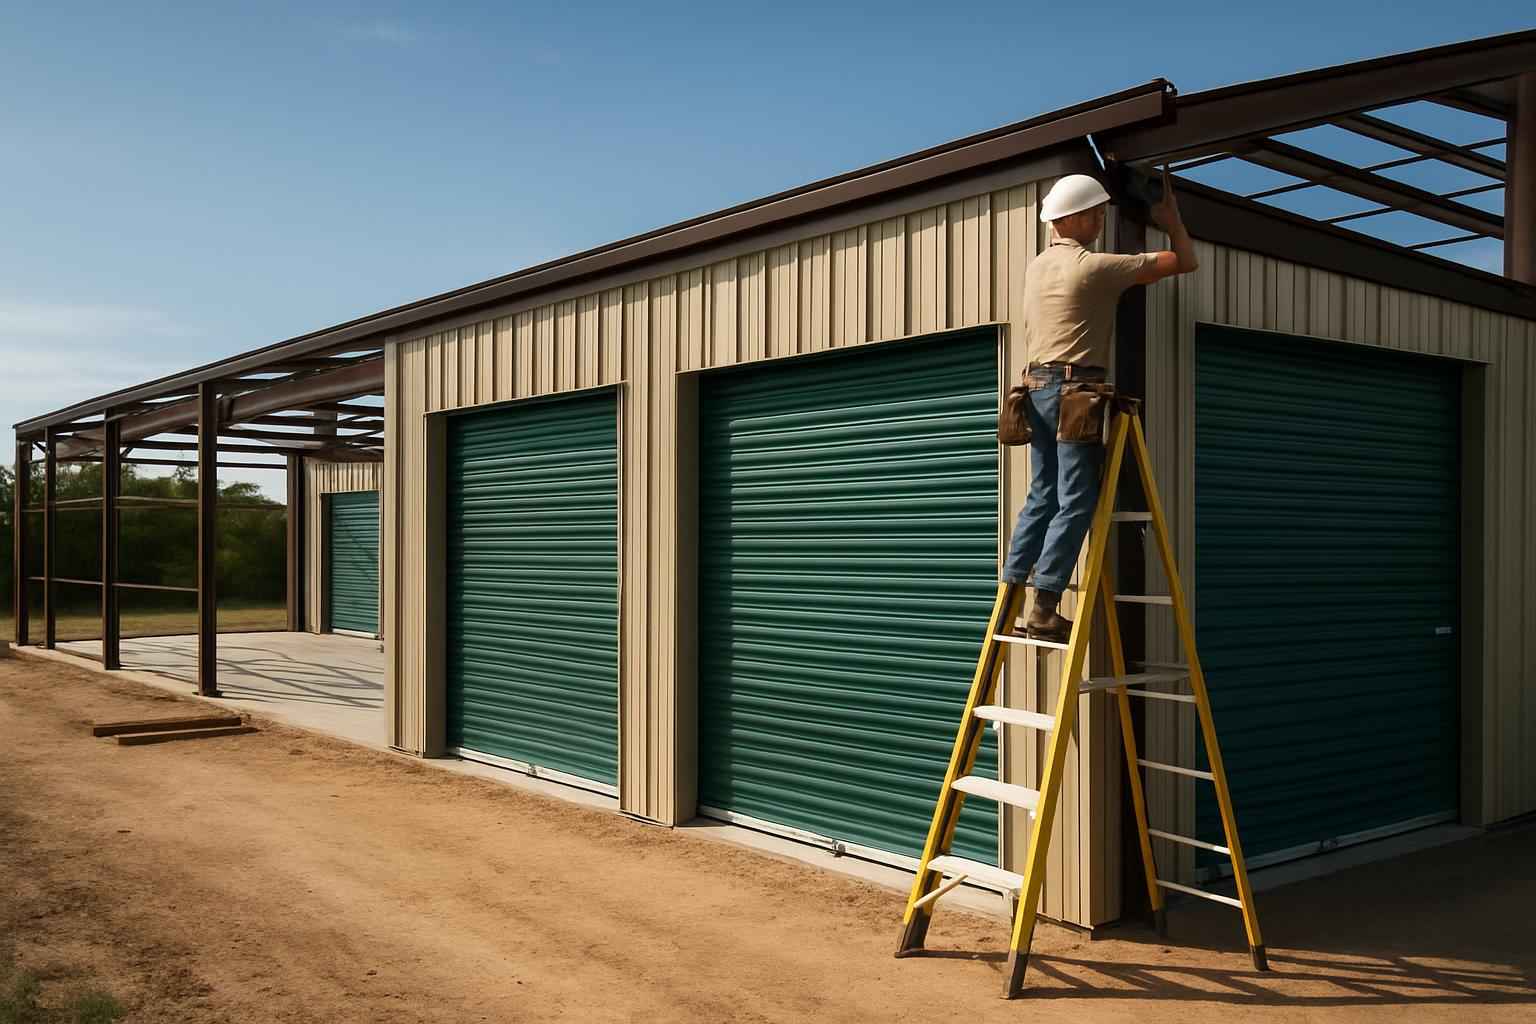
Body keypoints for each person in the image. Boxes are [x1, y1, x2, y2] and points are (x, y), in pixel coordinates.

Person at [1003, 168, 1198, 641]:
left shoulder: (1036, 265)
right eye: (1093, 216)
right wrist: (1171, 220)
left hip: (1035, 391)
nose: (1097, 223)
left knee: (1041, 495)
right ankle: (1044, 606)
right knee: (1078, 498)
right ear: (1075, 218)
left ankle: (1012, 591)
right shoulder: (1094, 267)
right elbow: (1184, 261)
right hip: (1074, 394)